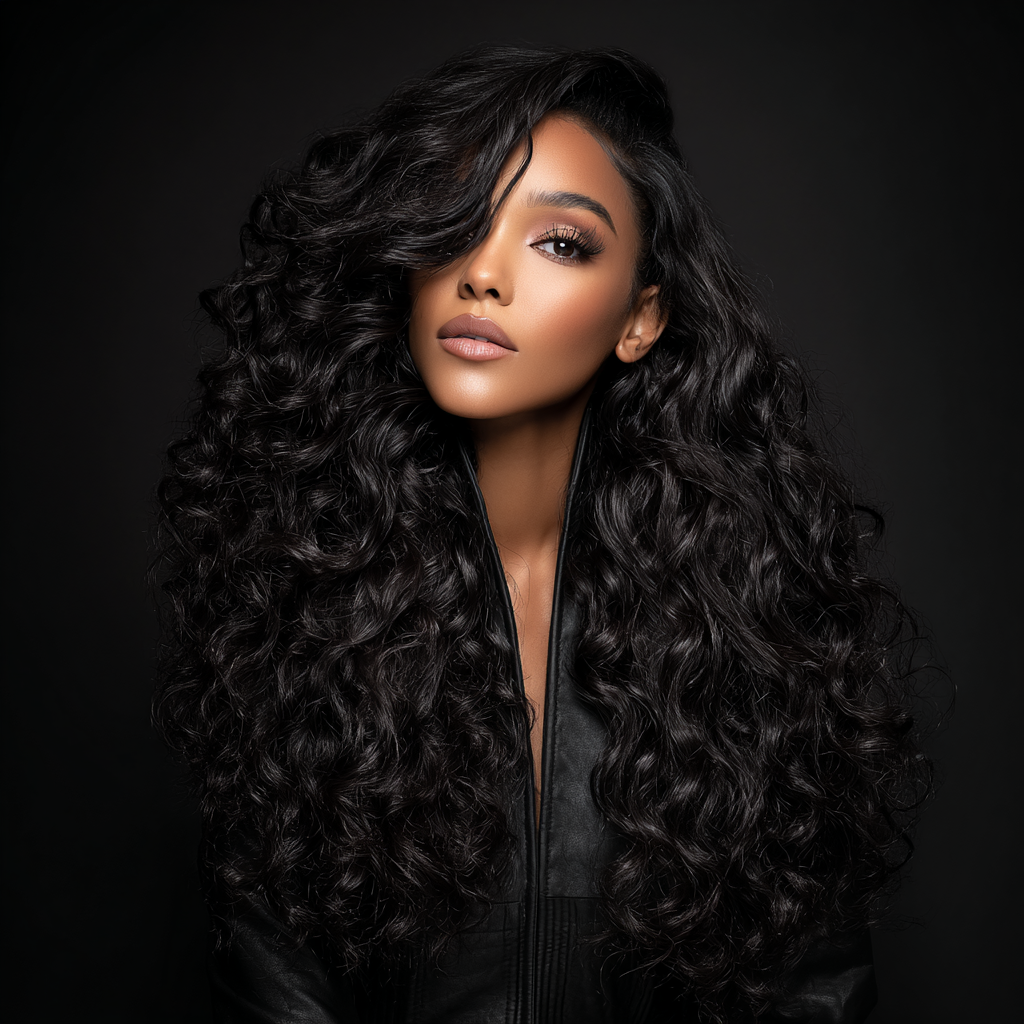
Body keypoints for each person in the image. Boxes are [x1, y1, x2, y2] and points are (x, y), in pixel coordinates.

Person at [155, 45, 928, 1023]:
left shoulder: (752, 641)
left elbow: (814, 995)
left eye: (559, 242)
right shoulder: (305, 623)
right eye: (458, 225)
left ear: (638, 318)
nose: (482, 273)